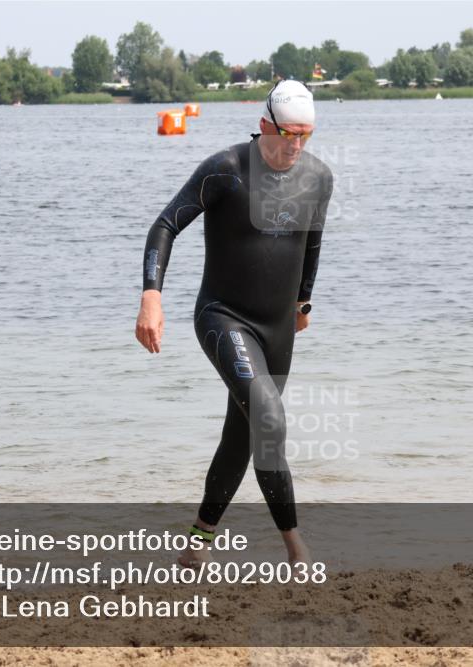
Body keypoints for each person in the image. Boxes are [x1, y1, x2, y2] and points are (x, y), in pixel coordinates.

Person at [135, 80, 333, 566]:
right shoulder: (226, 170)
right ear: (266, 124)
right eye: (289, 133)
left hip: (278, 328)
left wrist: (302, 304)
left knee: (241, 435)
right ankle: (296, 551)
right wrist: (151, 297)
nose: (297, 145)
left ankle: (197, 545)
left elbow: (311, 245)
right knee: (269, 420)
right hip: (222, 316)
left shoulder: (318, 177)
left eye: (306, 135)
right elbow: (165, 225)